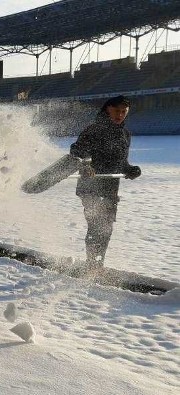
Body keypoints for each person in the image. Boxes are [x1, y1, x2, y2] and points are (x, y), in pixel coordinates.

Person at [70, 95, 141, 268]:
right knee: (97, 226)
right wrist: (86, 166)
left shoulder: (125, 134)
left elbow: (121, 162)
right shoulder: (94, 129)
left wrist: (129, 169)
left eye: (124, 112)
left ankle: (97, 265)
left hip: (110, 189)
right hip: (90, 187)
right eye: (117, 111)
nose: (120, 115)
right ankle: (92, 266)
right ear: (107, 109)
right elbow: (76, 152)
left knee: (106, 228)